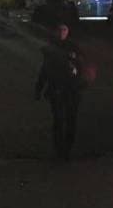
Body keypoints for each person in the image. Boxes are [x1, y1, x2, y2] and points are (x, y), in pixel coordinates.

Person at [35, 23, 84, 159]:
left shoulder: (73, 47)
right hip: (57, 87)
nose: (62, 32)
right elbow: (45, 70)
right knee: (59, 119)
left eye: (64, 29)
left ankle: (66, 148)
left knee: (70, 119)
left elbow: (81, 65)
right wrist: (39, 88)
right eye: (60, 30)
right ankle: (60, 148)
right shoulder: (51, 48)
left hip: (70, 88)